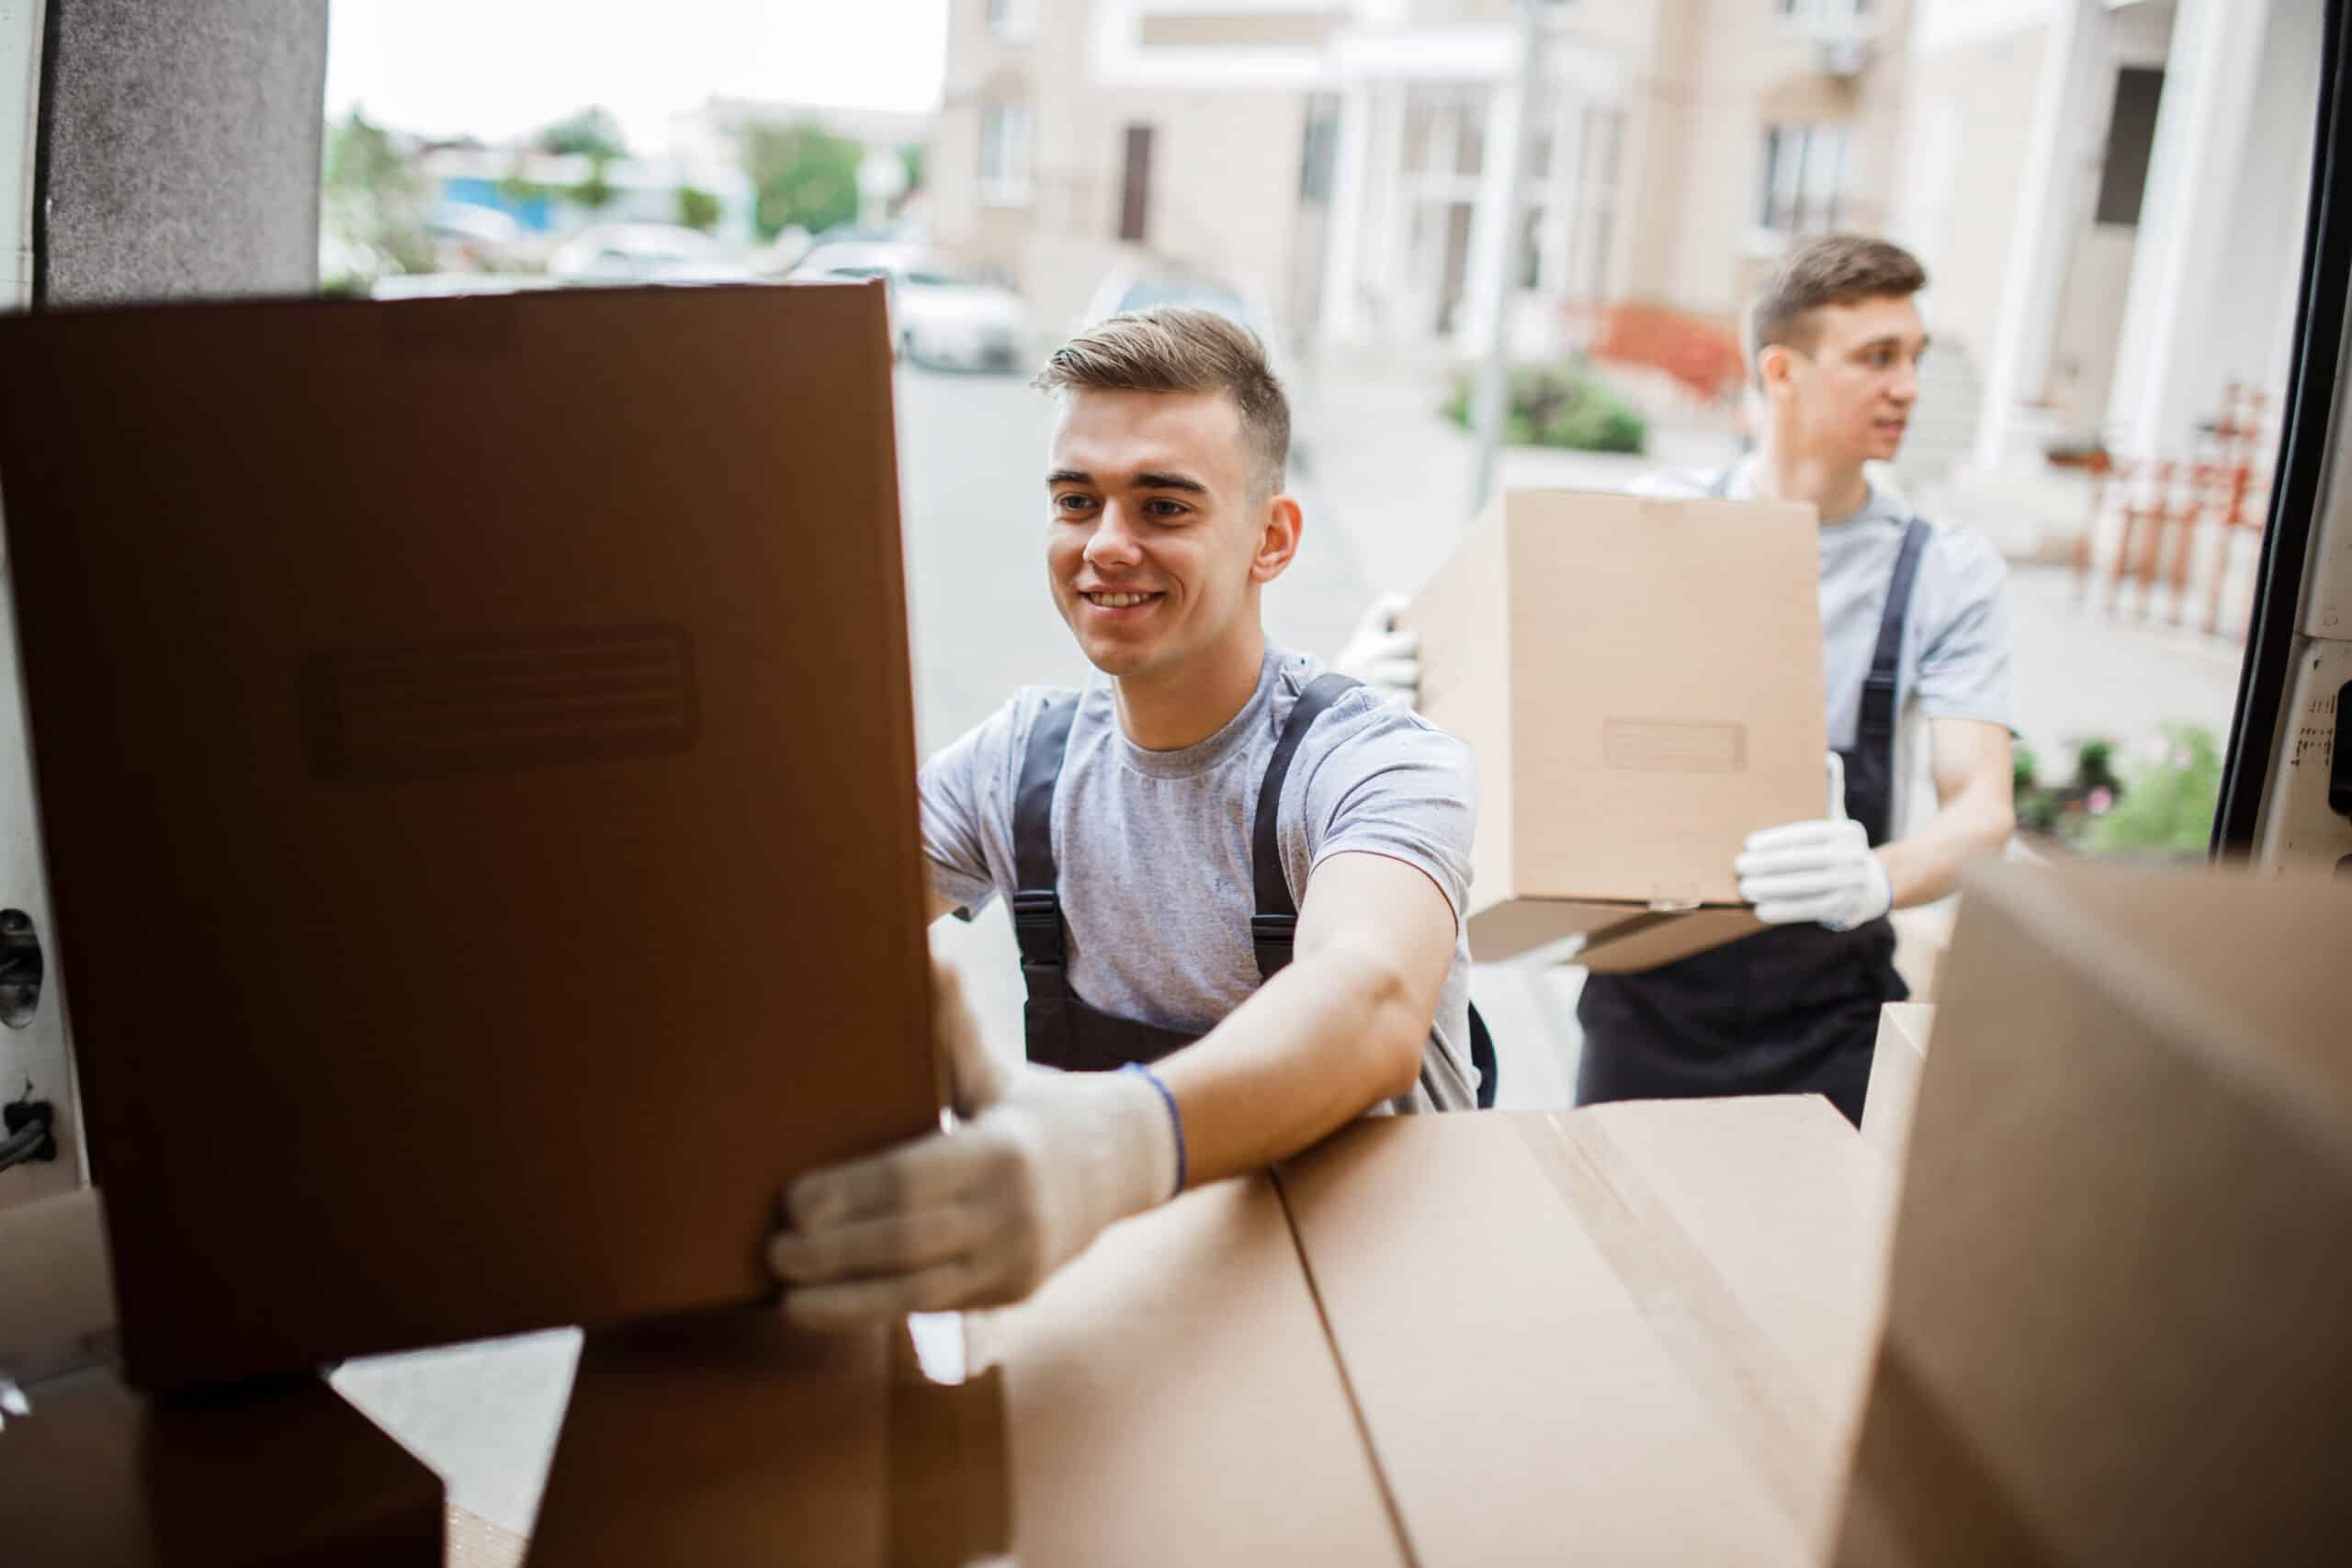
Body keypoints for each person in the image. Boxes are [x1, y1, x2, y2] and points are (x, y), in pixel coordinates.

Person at [769, 307, 1484, 1328]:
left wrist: (1107, 1146)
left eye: (1162, 507)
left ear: (1270, 539)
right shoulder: (1018, 765)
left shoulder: (1380, 763)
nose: (1105, 546)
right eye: (1076, 501)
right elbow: (804, 935)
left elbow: (1367, 998)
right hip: (1130, 1316)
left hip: (1378, 1318)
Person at [1339, 234, 2014, 1125]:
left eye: (1913, 358)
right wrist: (1379, 694)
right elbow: (1529, 701)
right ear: (1782, 373)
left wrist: (1872, 878)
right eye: (1876, 358)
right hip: (1645, 995)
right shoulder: (1656, 521)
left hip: (1835, 1013)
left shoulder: (1944, 571)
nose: (1908, 387)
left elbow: (1983, 811)